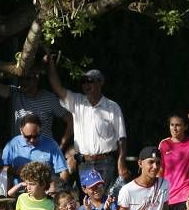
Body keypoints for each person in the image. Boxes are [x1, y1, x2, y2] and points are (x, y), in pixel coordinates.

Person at [47, 58, 130, 188]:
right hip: (84, 163)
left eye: (90, 81)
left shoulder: (112, 107)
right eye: (83, 82)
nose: (86, 84)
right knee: (86, 201)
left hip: (106, 162)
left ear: (100, 82)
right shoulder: (77, 102)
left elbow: (122, 138)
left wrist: (121, 162)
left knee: (107, 201)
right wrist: (51, 64)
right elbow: (57, 88)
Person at [0, 71, 73, 148]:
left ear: (37, 79)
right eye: (21, 78)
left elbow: (70, 120)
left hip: (45, 154)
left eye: (28, 78)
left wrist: (61, 146)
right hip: (20, 154)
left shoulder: (49, 98)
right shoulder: (15, 93)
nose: (23, 82)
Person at [2, 114, 69, 185]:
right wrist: (15, 171)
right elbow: (1, 168)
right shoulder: (12, 144)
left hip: (45, 192)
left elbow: (63, 171)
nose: (32, 140)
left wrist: (59, 191)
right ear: (21, 131)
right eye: (28, 137)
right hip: (19, 192)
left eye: (36, 136)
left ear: (40, 130)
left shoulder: (51, 144)